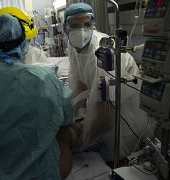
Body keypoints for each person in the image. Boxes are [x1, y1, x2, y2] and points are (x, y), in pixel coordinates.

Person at [0, 14, 75, 180]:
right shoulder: (44, 77)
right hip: (40, 173)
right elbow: (66, 117)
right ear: (24, 42)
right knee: (66, 132)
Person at [63, 3, 155, 160]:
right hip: (104, 108)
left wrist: (76, 138)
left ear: (93, 23)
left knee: (116, 155)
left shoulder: (101, 54)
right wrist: (69, 113)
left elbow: (105, 116)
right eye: (75, 25)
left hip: (122, 116)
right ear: (66, 28)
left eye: (87, 24)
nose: (82, 31)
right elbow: (78, 82)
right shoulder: (73, 46)